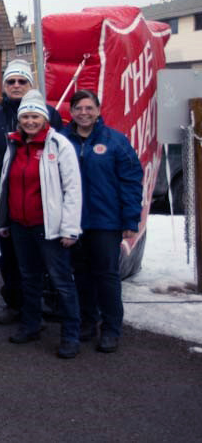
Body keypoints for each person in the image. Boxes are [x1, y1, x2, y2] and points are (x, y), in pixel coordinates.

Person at [0, 90, 83, 359]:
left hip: (50, 227)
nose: (30, 121)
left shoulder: (58, 145)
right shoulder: (14, 144)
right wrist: (3, 220)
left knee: (61, 282)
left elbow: (73, 188)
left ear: (44, 118)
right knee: (29, 278)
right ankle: (31, 325)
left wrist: (70, 228)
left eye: (35, 116)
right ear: (19, 120)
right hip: (20, 224)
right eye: (26, 117)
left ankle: (71, 335)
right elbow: (5, 184)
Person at [0, 59, 64, 325]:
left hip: (42, 199)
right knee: (11, 257)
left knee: (45, 256)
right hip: (7, 200)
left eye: (22, 81)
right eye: (11, 81)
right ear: (4, 86)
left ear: (31, 84)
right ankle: (14, 303)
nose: (16, 85)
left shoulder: (51, 114)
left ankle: (44, 303)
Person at [62, 90, 143, 353]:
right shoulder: (62, 140)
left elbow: (131, 182)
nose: (83, 113)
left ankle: (111, 328)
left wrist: (130, 219)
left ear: (98, 110)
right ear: (71, 112)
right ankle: (88, 321)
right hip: (74, 222)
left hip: (105, 222)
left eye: (89, 108)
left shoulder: (116, 141)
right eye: (78, 109)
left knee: (107, 276)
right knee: (81, 275)